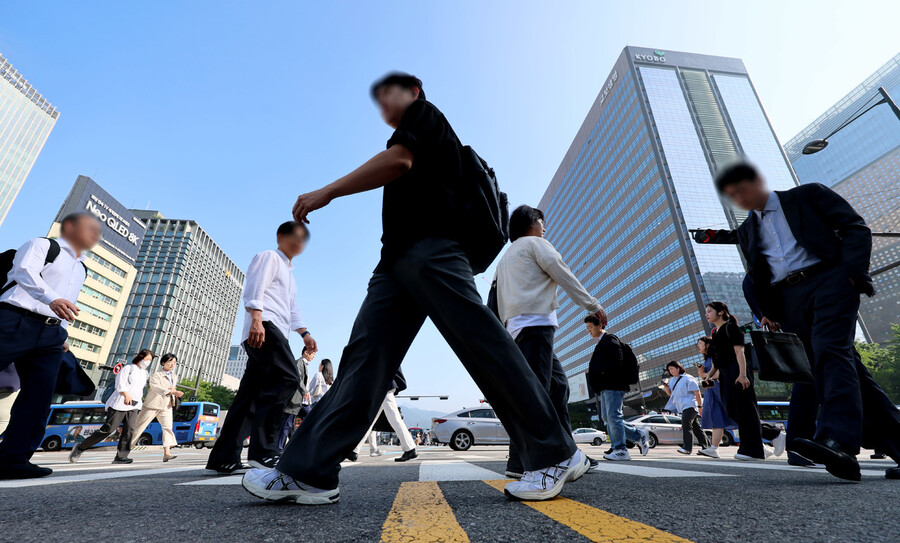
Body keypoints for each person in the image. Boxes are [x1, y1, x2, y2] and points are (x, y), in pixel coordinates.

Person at [241, 72, 587, 505]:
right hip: (394, 264)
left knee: (481, 343)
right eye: (379, 100)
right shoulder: (411, 130)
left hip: (434, 250)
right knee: (363, 363)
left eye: (390, 94)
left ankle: (555, 453)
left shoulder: (425, 117)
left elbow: (399, 161)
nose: (384, 104)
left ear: (415, 92)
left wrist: (326, 191)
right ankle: (308, 471)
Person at [698, 162, 900, 480]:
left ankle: (837, 441)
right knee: (845, 368)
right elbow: (755, 273)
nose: (740, 198)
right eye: (732, 195)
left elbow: (855, 227)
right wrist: (765, 311)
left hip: (830, 281)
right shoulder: (750, 229)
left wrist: (851, 274)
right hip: (791, 302)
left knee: (830, 352)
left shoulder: (807, 196)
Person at [494, 204, 607, 476]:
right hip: (536, 324)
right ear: (532, 222)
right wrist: (592, 305)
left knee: (558, 388)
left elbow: (495, 300)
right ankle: (519, 462)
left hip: (517, 330)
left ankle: (570, 453)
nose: (545, 228)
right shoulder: (535, 243)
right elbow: (561, 270)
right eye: (543, 222)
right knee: (536, 395)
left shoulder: (505, 258)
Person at [206, 221, 318, 475]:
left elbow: (292, 309)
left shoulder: (290, 274)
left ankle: (223, 458)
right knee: (287, 378)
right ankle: (264, 451)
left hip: (275, 328)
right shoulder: (269, 257)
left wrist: (305, 333)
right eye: (294, 236)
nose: (298, 242)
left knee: (248, 396)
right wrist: (256, 319)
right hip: (265, 327)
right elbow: (254, 288)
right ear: (280, 236)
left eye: (303, 239)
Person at [0, 212, 101, 479]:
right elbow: (24, 271)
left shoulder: (82, 268)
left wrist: (64, 334)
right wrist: (51, 298)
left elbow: (69, 301)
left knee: (39, 396)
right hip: (13, 320)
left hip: (51, 334)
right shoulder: (43, 245)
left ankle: (13, 458)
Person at [704, 301, 786, 461]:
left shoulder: (731, 328)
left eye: (709, 311)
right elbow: (717, 359)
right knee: (732, 410)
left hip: (737, 370)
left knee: (745, 409)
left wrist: (742, 374)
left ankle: (753, 449)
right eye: (706, 311)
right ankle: (772, 435)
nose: (707, 314)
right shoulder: (716, 333)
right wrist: (709, 374)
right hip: (725, 374)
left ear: (720, 312)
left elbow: (739, 352)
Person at [70, 349, 153, 464]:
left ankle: (121, 457)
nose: (148, 361)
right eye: (147, 359)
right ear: (140, 357)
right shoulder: (128, 368)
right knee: (108, 429)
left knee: (129, 431)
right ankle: (80, 448)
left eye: (150, 360)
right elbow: (120, 384)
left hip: (134, 405)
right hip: (120, 403)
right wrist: (126, 395)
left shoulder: (145, 373)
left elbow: (139, 390)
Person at [584, 315, 649, 461]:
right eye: (587, 328)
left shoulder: (610, 339)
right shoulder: (602, 342)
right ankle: (637, 435)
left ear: (599, 325)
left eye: (590, 327)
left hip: (613, 384)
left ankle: (620, 449)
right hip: (606, 386)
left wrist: (603, 373)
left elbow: (617, 359)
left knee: (613, 416)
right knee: (607, 417)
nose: (588, 331)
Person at [349, 369, 417, 462]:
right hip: (382, 385)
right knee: (371, 419)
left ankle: (410, 449)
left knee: (393, 418)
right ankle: (354, 451)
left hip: (383, 385)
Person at [130, 353, 183, 461]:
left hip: (167, 405)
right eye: (170, 362)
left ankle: (167, 453)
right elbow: (155, 388)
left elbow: (171, 389)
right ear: (163, 363)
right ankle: (126, 448)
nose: (172, 364)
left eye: (174, 363)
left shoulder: (174, 376)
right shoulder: (156, 375)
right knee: (139, 427)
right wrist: (170, 391)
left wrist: (174, 393)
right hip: (152, 404)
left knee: (167, 428)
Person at [696, 337, 736, 458]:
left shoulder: (715, 356)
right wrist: (702, 374)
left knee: (737, 416)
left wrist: (702, 374)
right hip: (712, 391)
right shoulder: (708, 359)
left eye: (700, 343)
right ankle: (714, 448)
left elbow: (718, 374)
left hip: (720, 390)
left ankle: (770, 437)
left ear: (708, 345)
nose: (698, 346)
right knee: (717, 420)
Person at [663, 361, 713, 457]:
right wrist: (666, 387)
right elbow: (670, 394)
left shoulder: (688, 378)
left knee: (686, 425)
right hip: (682, 407)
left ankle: (687, 448)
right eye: (669, 370)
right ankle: (706, 447)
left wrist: (700, 406)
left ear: (678, 368)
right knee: (696, 428)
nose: (671, 371)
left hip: (691, 405)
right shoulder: (672, 380)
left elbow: (697, 392)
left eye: (672, 369)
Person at [278, 347, 314, 452]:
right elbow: (297, 378)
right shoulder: (299, 362)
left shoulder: (305, 364)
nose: (313, 356)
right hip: (295, 399)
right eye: (313, 354)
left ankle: (301, 445)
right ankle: (279, 449)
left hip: (303, 401)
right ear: (306, 352)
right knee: (287, 424)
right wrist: (305, 391)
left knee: (311, 419)